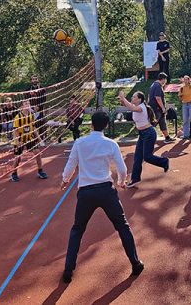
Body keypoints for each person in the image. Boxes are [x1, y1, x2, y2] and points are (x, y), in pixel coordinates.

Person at [61, 111, 144, 283]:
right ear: (106, 126)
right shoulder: (110, 144)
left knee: (77, 229)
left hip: (86, 192)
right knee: (122, 226)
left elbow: (71, 164)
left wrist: (65, 179)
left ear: (91, 124)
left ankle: (68, 269)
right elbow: (121, 168)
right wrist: (122, 181)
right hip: (106, 190)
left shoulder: (79, 142)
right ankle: (135, 263)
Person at [119, 91, 169, 188]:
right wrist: (122, 99)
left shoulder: (141, 107)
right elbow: (129, 106)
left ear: (139, 99)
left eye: (134, 97)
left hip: (149, 133)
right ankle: (135, 179)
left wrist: (123, 98)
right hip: (142, 134)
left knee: (147, 157)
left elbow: (132, 107)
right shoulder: (137, 106)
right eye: (132, 97)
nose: (132, 99)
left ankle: (164, 161)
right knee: (137, 157)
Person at [11, 100, 48, 182]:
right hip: (19, 139)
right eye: (26, 104)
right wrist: (17, 141)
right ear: (22, 106)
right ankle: (14, 173)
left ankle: (40, 171)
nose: (28, 105)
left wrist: (39, 139)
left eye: (29, 103)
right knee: (17, 158)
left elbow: (33, 128)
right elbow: (14, 131)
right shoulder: (18, 117)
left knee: (37, 152)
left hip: (29, 138)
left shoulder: (31, 115)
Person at [148, 72, 175, 143]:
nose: (165, 82)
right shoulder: (157, 86)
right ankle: (146, 137)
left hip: (156, 108)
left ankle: (167, 137)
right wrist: (163, 108)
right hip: (156, 109)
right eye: (165, 80)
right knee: (153, 123)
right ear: (163, 79)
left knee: (162, 123)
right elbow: (158, 98)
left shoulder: (154, 85)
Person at [28, 74, 47, 144]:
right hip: (31, 111)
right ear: (31, 80)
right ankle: (34, 140)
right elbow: (26, 100)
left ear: (38, 80)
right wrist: (32, 108)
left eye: (36, 79)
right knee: (32, 125)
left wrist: (39, 107)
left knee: (41, 124)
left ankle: (41, 140)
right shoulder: (28, 89)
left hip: (40, 110)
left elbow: (44, 99)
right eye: (33, 79)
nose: (34, 80)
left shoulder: (42, 89)